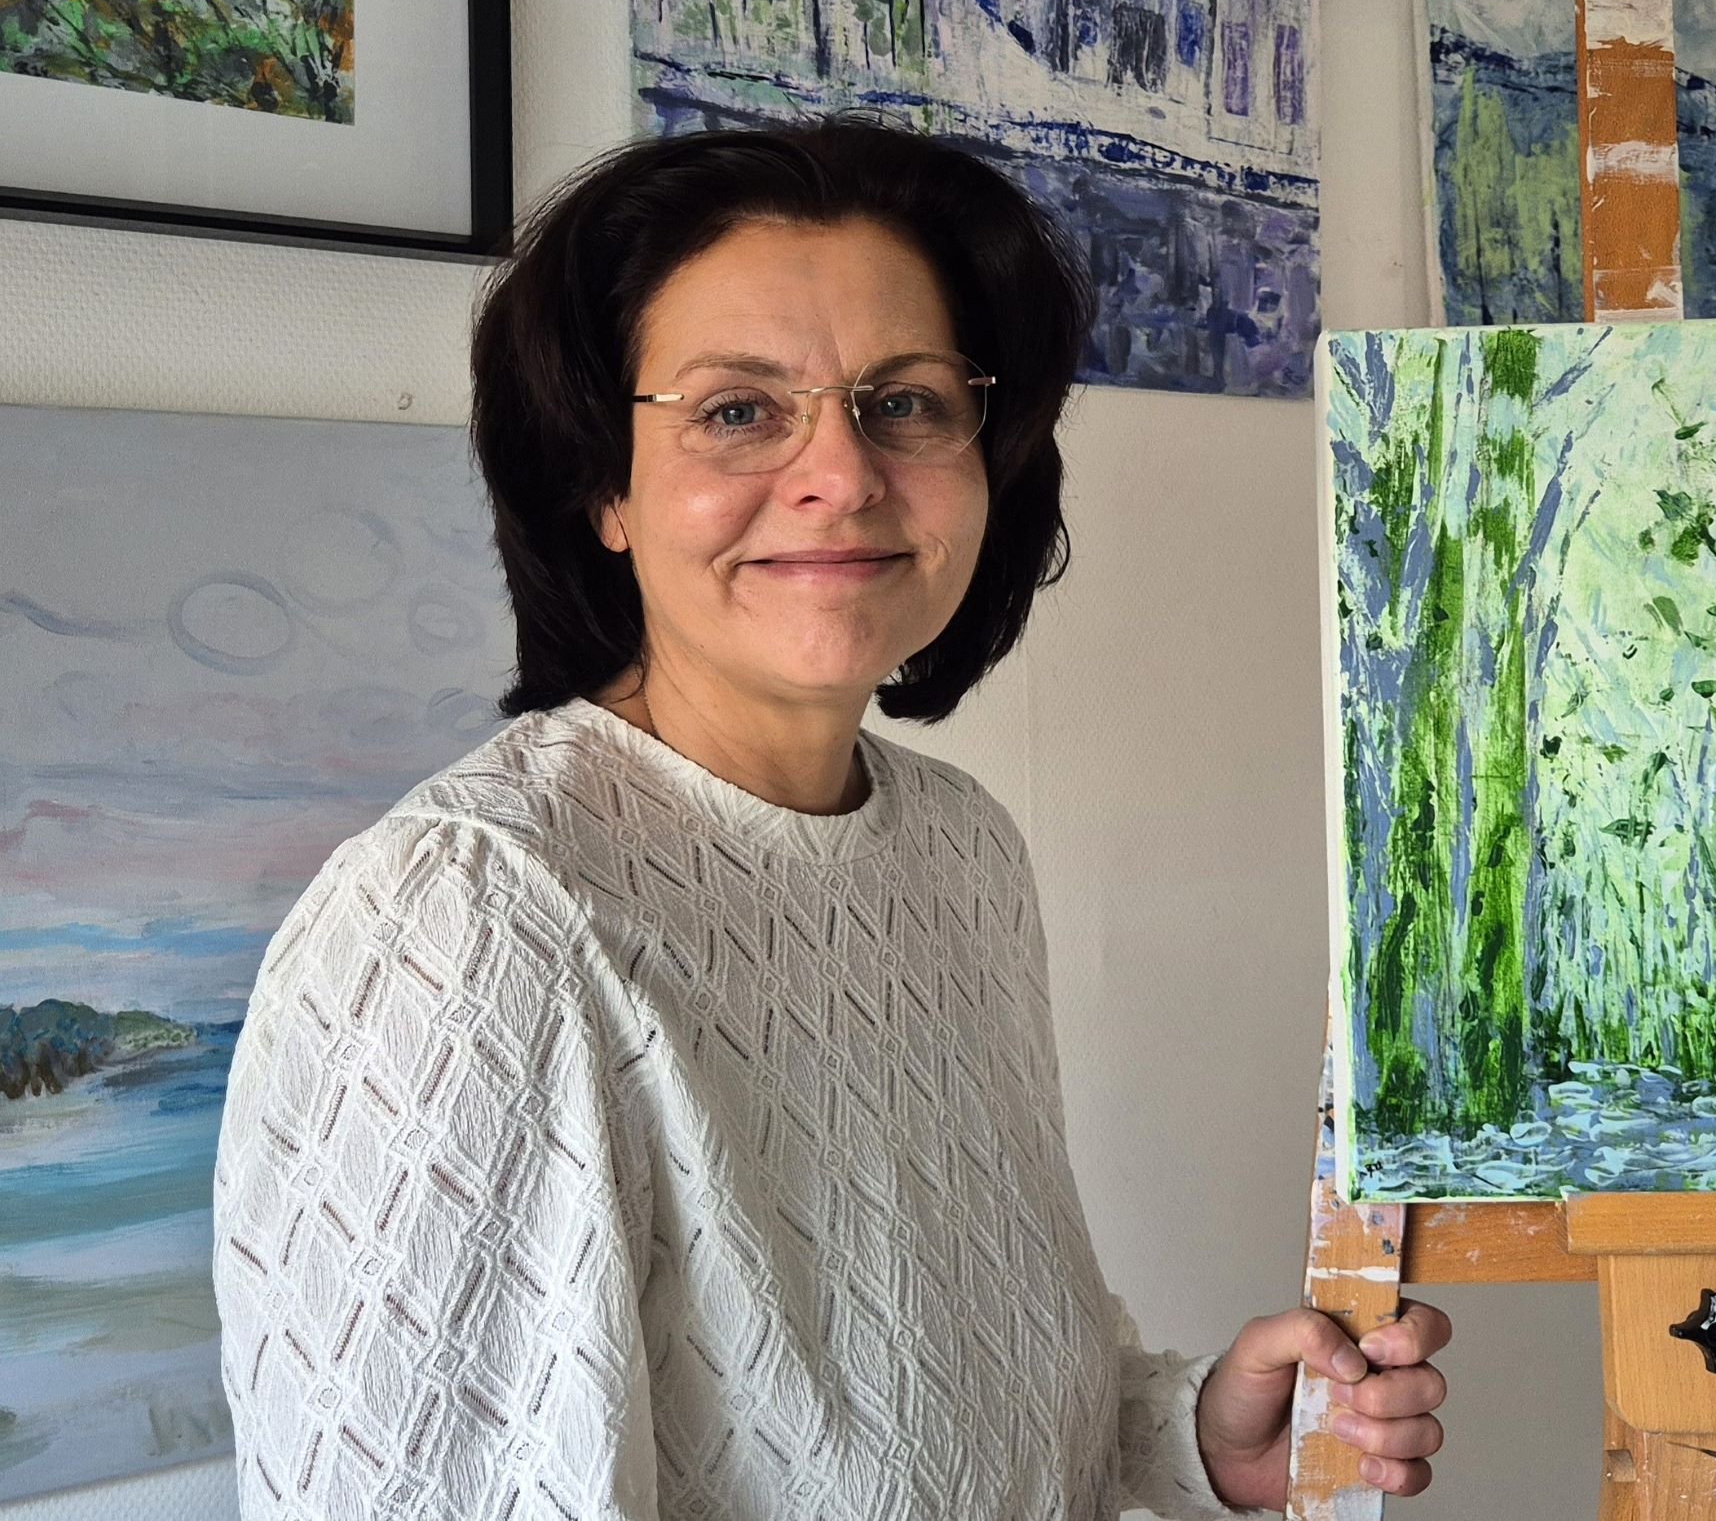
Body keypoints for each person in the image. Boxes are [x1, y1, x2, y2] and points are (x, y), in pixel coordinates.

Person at [210, 119, 1451, 1518]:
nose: (845, 475)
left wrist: (1188, 1435)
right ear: (603, 485)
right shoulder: (469, 914)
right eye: (739, 410)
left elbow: (953, 1405)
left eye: (904, 401)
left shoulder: (957, 847)